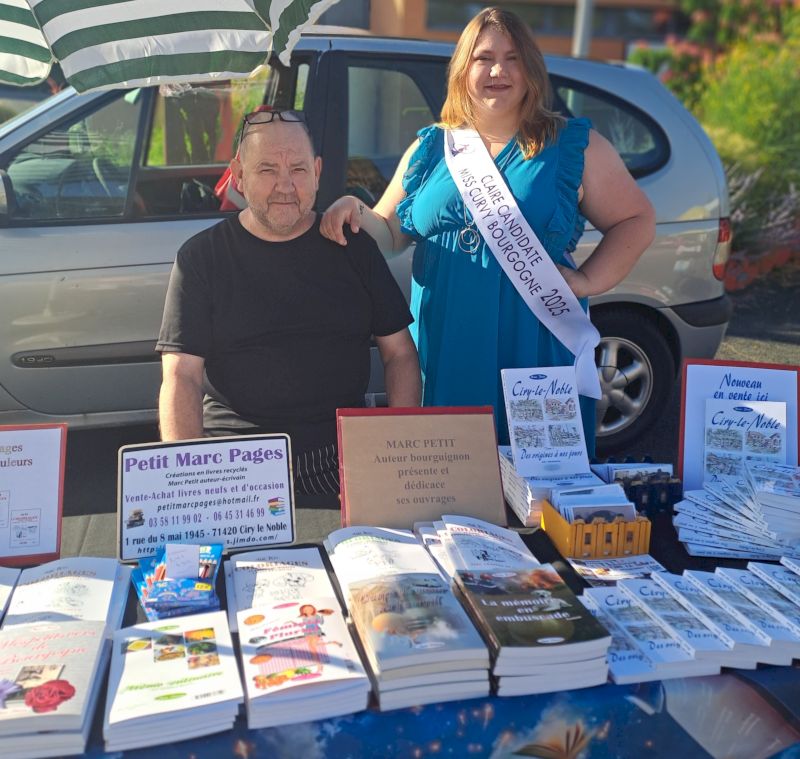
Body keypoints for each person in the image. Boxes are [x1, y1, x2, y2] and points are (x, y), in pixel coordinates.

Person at [320, 7, 655, 452]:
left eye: (513, 58)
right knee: (452, 472)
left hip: (534, 339)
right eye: (484, 58)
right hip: (448, 340)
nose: (499, 70)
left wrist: (588, 280)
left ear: (531, 68)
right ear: (463, 69)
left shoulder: (572, 145)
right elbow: (389, 232)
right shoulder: (431, 147)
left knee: (538, 479)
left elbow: (636, 220)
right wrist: (354, 209)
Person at [156, 110, 421, 494]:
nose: (285, 186)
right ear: (239, 174)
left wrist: (402, 453)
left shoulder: (353, 247)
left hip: (341, 457)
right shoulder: (202, 257)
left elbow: (399, 354)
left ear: (317, 172)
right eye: (267, 169)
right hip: (233, 463)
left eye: (298, 169)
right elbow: (181, 375)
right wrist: (186, 483)